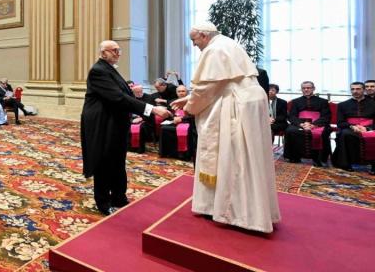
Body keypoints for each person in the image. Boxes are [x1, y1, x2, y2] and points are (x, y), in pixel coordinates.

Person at [170, 23, 280, 234]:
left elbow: (207, 88)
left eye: (195, 40)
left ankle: (238, 213)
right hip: (251, 101)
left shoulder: (214, 49)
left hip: (237, 107)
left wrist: (189, 105)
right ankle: (254, 211)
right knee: (251, 159)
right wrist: (191, 98)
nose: (194, 45)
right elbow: (215, 85)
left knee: (235, 158)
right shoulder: (229, 44)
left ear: (203, 35)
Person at [81, 40, 171, 215]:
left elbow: (125, 95)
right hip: (103, 124)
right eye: (114, 50)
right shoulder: (98, 71)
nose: (118, 53)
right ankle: (103, 202)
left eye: (119, 50)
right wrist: (151, 109)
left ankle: (118, 197)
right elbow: (118, 98)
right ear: (103, 53)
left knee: (118, 160)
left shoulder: (110, 69)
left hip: (115, 122)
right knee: (104, 162)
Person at [283, 81, 331, 166]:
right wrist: (301, 124)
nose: (306, 90)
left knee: (324, 132)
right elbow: (292, 116)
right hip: (301, 123)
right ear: (301, 89)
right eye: (304, 88)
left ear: (313, 89)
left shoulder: (323, 101)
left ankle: (319, 158)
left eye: (308, 88)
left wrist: (313, 125)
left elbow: (326, 116)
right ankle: (294, 157)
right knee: (290, 131)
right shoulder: (296, 101)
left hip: (318, 123)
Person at [331, 82, 375, 173]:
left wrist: (367, 128)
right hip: (350, 128)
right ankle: (346, 164)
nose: (355, 91)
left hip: (370, 128)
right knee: (345, 134)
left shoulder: (373, 103)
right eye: (353, 89)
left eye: (358, 89)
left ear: (363, 90)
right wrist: (352, 126)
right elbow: (340, 122)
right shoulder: (342, 105)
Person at [159, 85, 197, 161]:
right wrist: (173, 118)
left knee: (186, 130)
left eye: (183, 91)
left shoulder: (191, 102)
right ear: (176, 93)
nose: (181, 93)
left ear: (187, 92)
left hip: (188, 122)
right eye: (179, 91)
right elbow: (169, 114)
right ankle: (168, 153)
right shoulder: (173, 101)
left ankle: (184, 154)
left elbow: (194, 115)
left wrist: (182, 119)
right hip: (174, 121)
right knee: (164, 129)